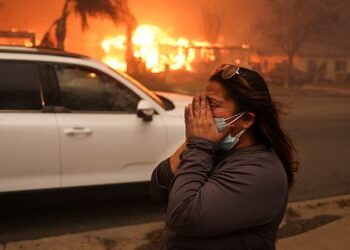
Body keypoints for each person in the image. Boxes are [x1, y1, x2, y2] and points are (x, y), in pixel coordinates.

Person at [150, 64, 298, 250]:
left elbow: (182, 216)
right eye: (202, 102)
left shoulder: (261, 171)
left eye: (212, 105)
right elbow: (159, 186)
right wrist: (192, 141)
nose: (202, 112)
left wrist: (199, 145)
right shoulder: (211, 149)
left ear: (247, 119)